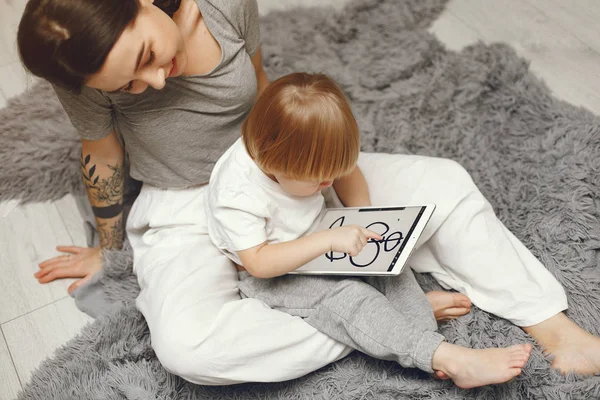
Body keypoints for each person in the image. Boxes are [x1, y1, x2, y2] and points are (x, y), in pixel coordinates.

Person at [16, 0, 600, 386]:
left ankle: (551, 325)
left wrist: (323, 172)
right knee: (189, 350)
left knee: (444, 179)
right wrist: (111, 246)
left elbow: (265, 87)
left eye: (146, 56)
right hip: (187, 204)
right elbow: (103, 153)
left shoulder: (224, 6)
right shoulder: (79, 71)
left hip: (281, 163)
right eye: (131, 86)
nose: (156, 82)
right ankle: (394, 317)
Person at [205, 71, 534, 388]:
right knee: (350, 300)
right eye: (320, 179)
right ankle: (447, 358)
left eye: (333, 173)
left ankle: (415, 333)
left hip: (319, 233)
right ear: (274, 164)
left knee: (391, 264)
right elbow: (259, 263)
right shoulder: (237, 194)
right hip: (275, 274)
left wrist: (362, 216)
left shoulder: (300, 155)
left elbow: (348, 174)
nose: (329, 183)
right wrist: (328, 239)